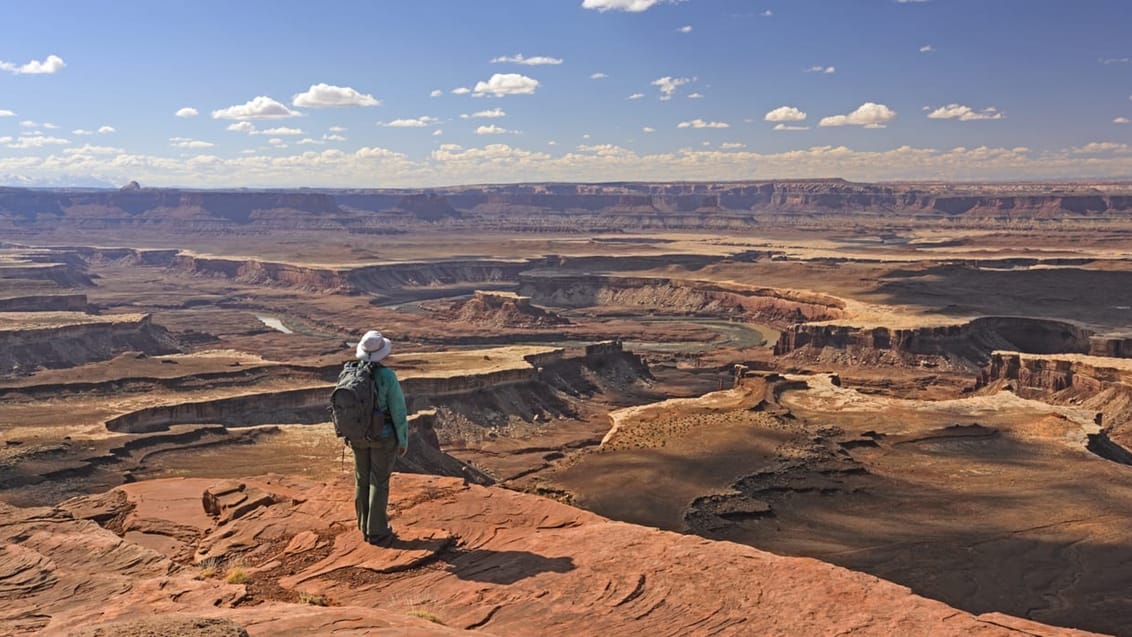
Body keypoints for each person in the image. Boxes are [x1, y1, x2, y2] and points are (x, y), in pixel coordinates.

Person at [351, 329, 409, 544]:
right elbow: (398, 411)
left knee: (361, 479)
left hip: (357, 436)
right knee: (379, 481)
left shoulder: (350, 372)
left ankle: (363, 524)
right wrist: (402, 440)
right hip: (382, 437)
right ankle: (376, 530)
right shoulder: (387, 376)